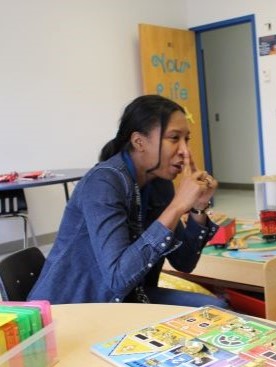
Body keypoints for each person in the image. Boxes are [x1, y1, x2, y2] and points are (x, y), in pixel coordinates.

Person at [28, 95, 227, 308]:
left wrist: (198, 208)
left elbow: (185, 262)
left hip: (129, 298)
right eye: (174, 138)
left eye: (186, 139)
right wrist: (177, 207)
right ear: (139, 142)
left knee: (216, 309)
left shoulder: (159, 183)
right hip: (76, 306)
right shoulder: (104, 182)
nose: (185, 151)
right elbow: (117, 278)